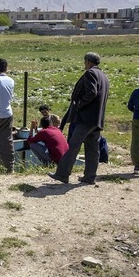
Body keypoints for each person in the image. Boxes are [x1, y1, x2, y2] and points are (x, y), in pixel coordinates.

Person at [49, 52, 109, 185]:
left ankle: (62, 174)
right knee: (93, 148)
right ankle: (90, 176)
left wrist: (80, 104)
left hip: (86, 118)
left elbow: (91, 93)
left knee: (73, 146)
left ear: (88, 61)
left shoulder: (90, 73)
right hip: (97, 119)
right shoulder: (103, 76)